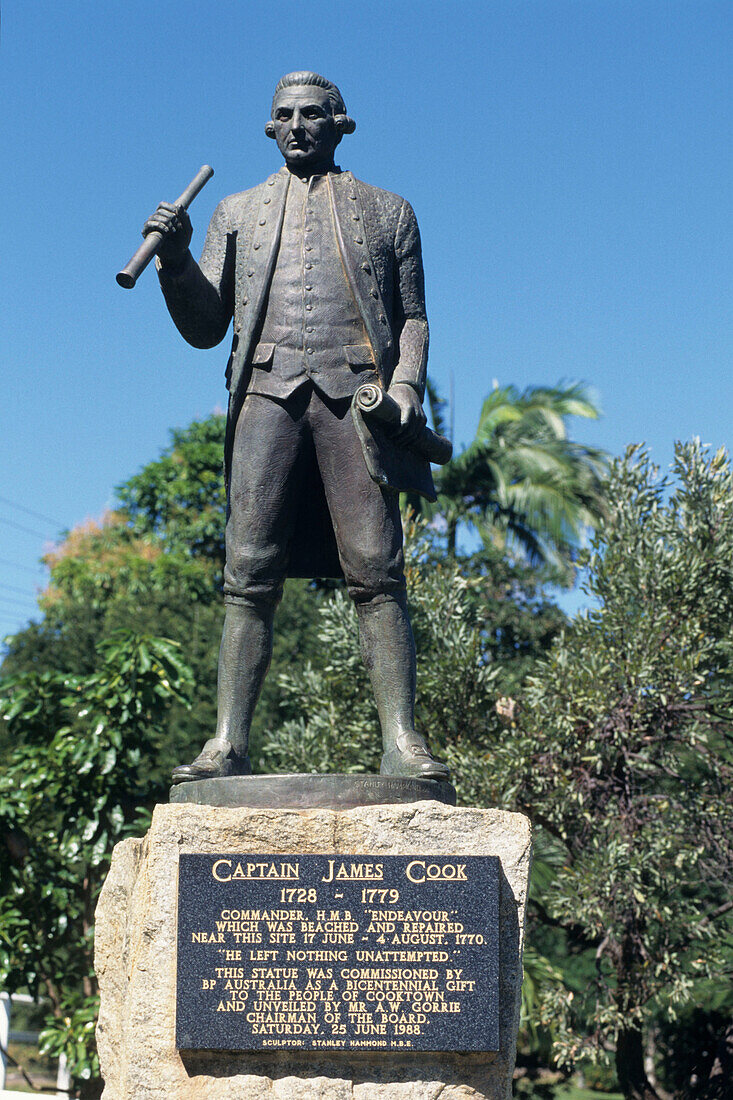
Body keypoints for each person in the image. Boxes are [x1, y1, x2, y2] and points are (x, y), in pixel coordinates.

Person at [144, 71, 448, 785]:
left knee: (376, 569)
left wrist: (404, 385)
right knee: (247, 572)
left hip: (355, 396)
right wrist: (174, 258)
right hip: (266, 394)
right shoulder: (235, 211)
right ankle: (227, 742)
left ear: (340, 123)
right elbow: (203, 327)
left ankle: (401, 742)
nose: (297, 125)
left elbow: (413, 318)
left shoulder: (388, 211)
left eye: (313, 114)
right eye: (284, 115)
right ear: (269, 127)